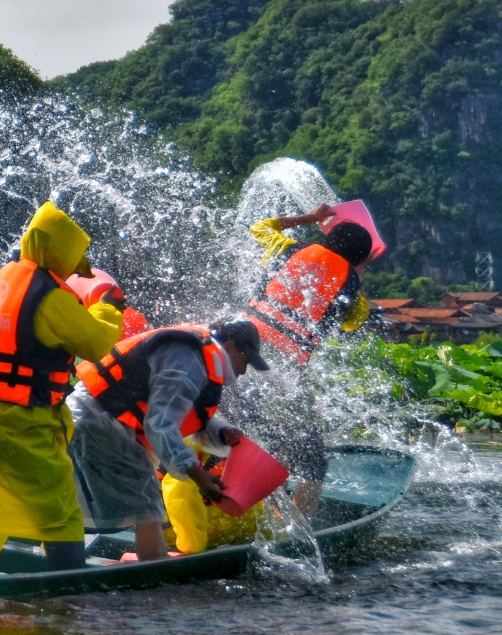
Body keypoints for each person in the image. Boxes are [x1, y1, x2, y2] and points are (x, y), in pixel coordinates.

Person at [0, 202, 124, 571]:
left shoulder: (5, 274)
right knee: (59, 512)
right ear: (59, 251)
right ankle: (68, 590)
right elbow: (96, 345)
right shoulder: (52, 297)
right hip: (23, 419)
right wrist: (107, 309)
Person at [66, 319, 267, 560]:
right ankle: (153, 571)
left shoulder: (201, 357)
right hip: (99, 420)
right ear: (231, 346)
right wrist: (194, 471)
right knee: (147, 505)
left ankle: (67, 560)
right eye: (245, 359)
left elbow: (183, 415)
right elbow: (160, 424)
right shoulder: (188, 360)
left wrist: (222, 433)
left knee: (136, 503)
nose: (244, 370)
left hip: (110, 422)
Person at [239, 203, 375, 515]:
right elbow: (353, 321)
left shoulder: (289, 248)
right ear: (359, 259)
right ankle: (295, 532)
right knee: (312, 460)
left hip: (236, 355)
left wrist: (310, 218)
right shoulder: (349, 286)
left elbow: (259, 227)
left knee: (260, 439)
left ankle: (255, 511)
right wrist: (359, 275)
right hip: (280, 372)